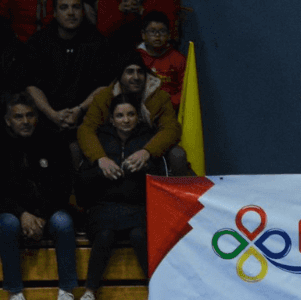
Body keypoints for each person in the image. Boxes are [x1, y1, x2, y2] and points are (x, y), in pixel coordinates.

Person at [75, 94, 164, 300]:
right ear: (112, 120)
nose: (126, 120)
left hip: (138, 207)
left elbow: (163, 180)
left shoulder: (149, 140)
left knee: (138, 235)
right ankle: (89, 293)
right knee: (105, 235)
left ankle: (158, 290)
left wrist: (145, 168)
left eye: (131, 114)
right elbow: (82, 182)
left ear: (138, 117)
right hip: (103, 207)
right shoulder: (99, 141)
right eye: (120, 115)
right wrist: (101, 169)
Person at [1, 92, 78, 300]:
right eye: (18, 117)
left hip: (49, 210)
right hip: (13, 212)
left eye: (29, 115)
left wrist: (41, 216)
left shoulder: (53, 140)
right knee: (7, 224)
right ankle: (15, 294)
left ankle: (66, 292)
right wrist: (22, 213)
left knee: (63, 222)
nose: (25, 121)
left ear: (36, 117)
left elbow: (63, 187)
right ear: (8, 120)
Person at [76, 49, 190, 177]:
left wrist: (147, 151)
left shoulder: (159, 97)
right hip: (112, 145)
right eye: (130, 72)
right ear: (120, 75)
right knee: (74, 148)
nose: (136, 77)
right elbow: (86, 129)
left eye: (140, 72)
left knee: (178, 154)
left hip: (148, 145)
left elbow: (171, 129)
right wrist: (100, 157)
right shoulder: (105, 97)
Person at [24, 0, 113, 139]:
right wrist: (52, 114)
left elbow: (104, 85)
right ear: (54, 13)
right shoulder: (38, 42)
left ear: (83, 11)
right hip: (46, 119)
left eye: (76, 7)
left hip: (87, 117)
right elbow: (31, 84)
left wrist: (79, 110)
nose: (71, 13)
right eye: (64, 7)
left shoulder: (98, 42)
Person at [136, 11, 184, 110]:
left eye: (162, 31)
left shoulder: (178, 59)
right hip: (139, 107)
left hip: (168, 109)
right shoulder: (135, 56)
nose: (157, 36)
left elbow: (185, 90)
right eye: (152, 31)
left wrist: (167, 104)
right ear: (143, 34)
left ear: (169, 35)